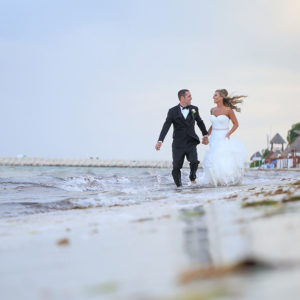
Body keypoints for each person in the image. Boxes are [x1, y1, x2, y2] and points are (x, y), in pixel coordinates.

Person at [155, 89, 209, 187]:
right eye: (189, 96)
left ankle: (192, 177)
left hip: (191, 141)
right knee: (176, 167)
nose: (191, 98)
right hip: (178, 144)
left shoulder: (194, 109)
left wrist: (205, 135)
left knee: (194, 161)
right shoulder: (172, 111)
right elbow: (166, 126)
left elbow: (200, 122)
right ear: (182, 98)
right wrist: (160, 140)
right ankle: (179, 187)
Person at [200, 89, 248, 186]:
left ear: (222, 97)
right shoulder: (212, 110)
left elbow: (236, 124)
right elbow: (213, 125)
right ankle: (215, 181)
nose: (213, 97)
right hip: (214, 137)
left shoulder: (228, 110)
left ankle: (225, 181)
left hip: (223, 136)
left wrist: (229, 133)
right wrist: (206, 136)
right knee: (213, 159)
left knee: (222, 159)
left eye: (215, 95)